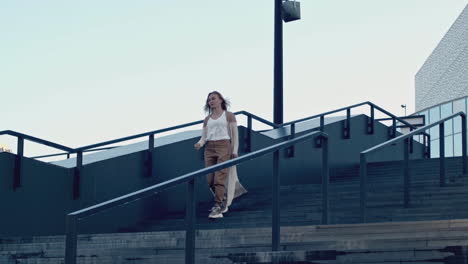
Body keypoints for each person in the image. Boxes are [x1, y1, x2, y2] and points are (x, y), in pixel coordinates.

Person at [194, 91, 247, 219]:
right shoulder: (207, 119)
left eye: (213, 99)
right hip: (209, 148)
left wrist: (234, 151)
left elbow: (235, 134)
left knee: (220, 177)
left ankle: (217, 206)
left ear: (220, 100)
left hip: (224, 146)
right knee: (210, 179)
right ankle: (222, 197)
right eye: (209, 100)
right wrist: (199, 144)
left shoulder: (229, 116)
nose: (210, 101)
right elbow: (204, 137)